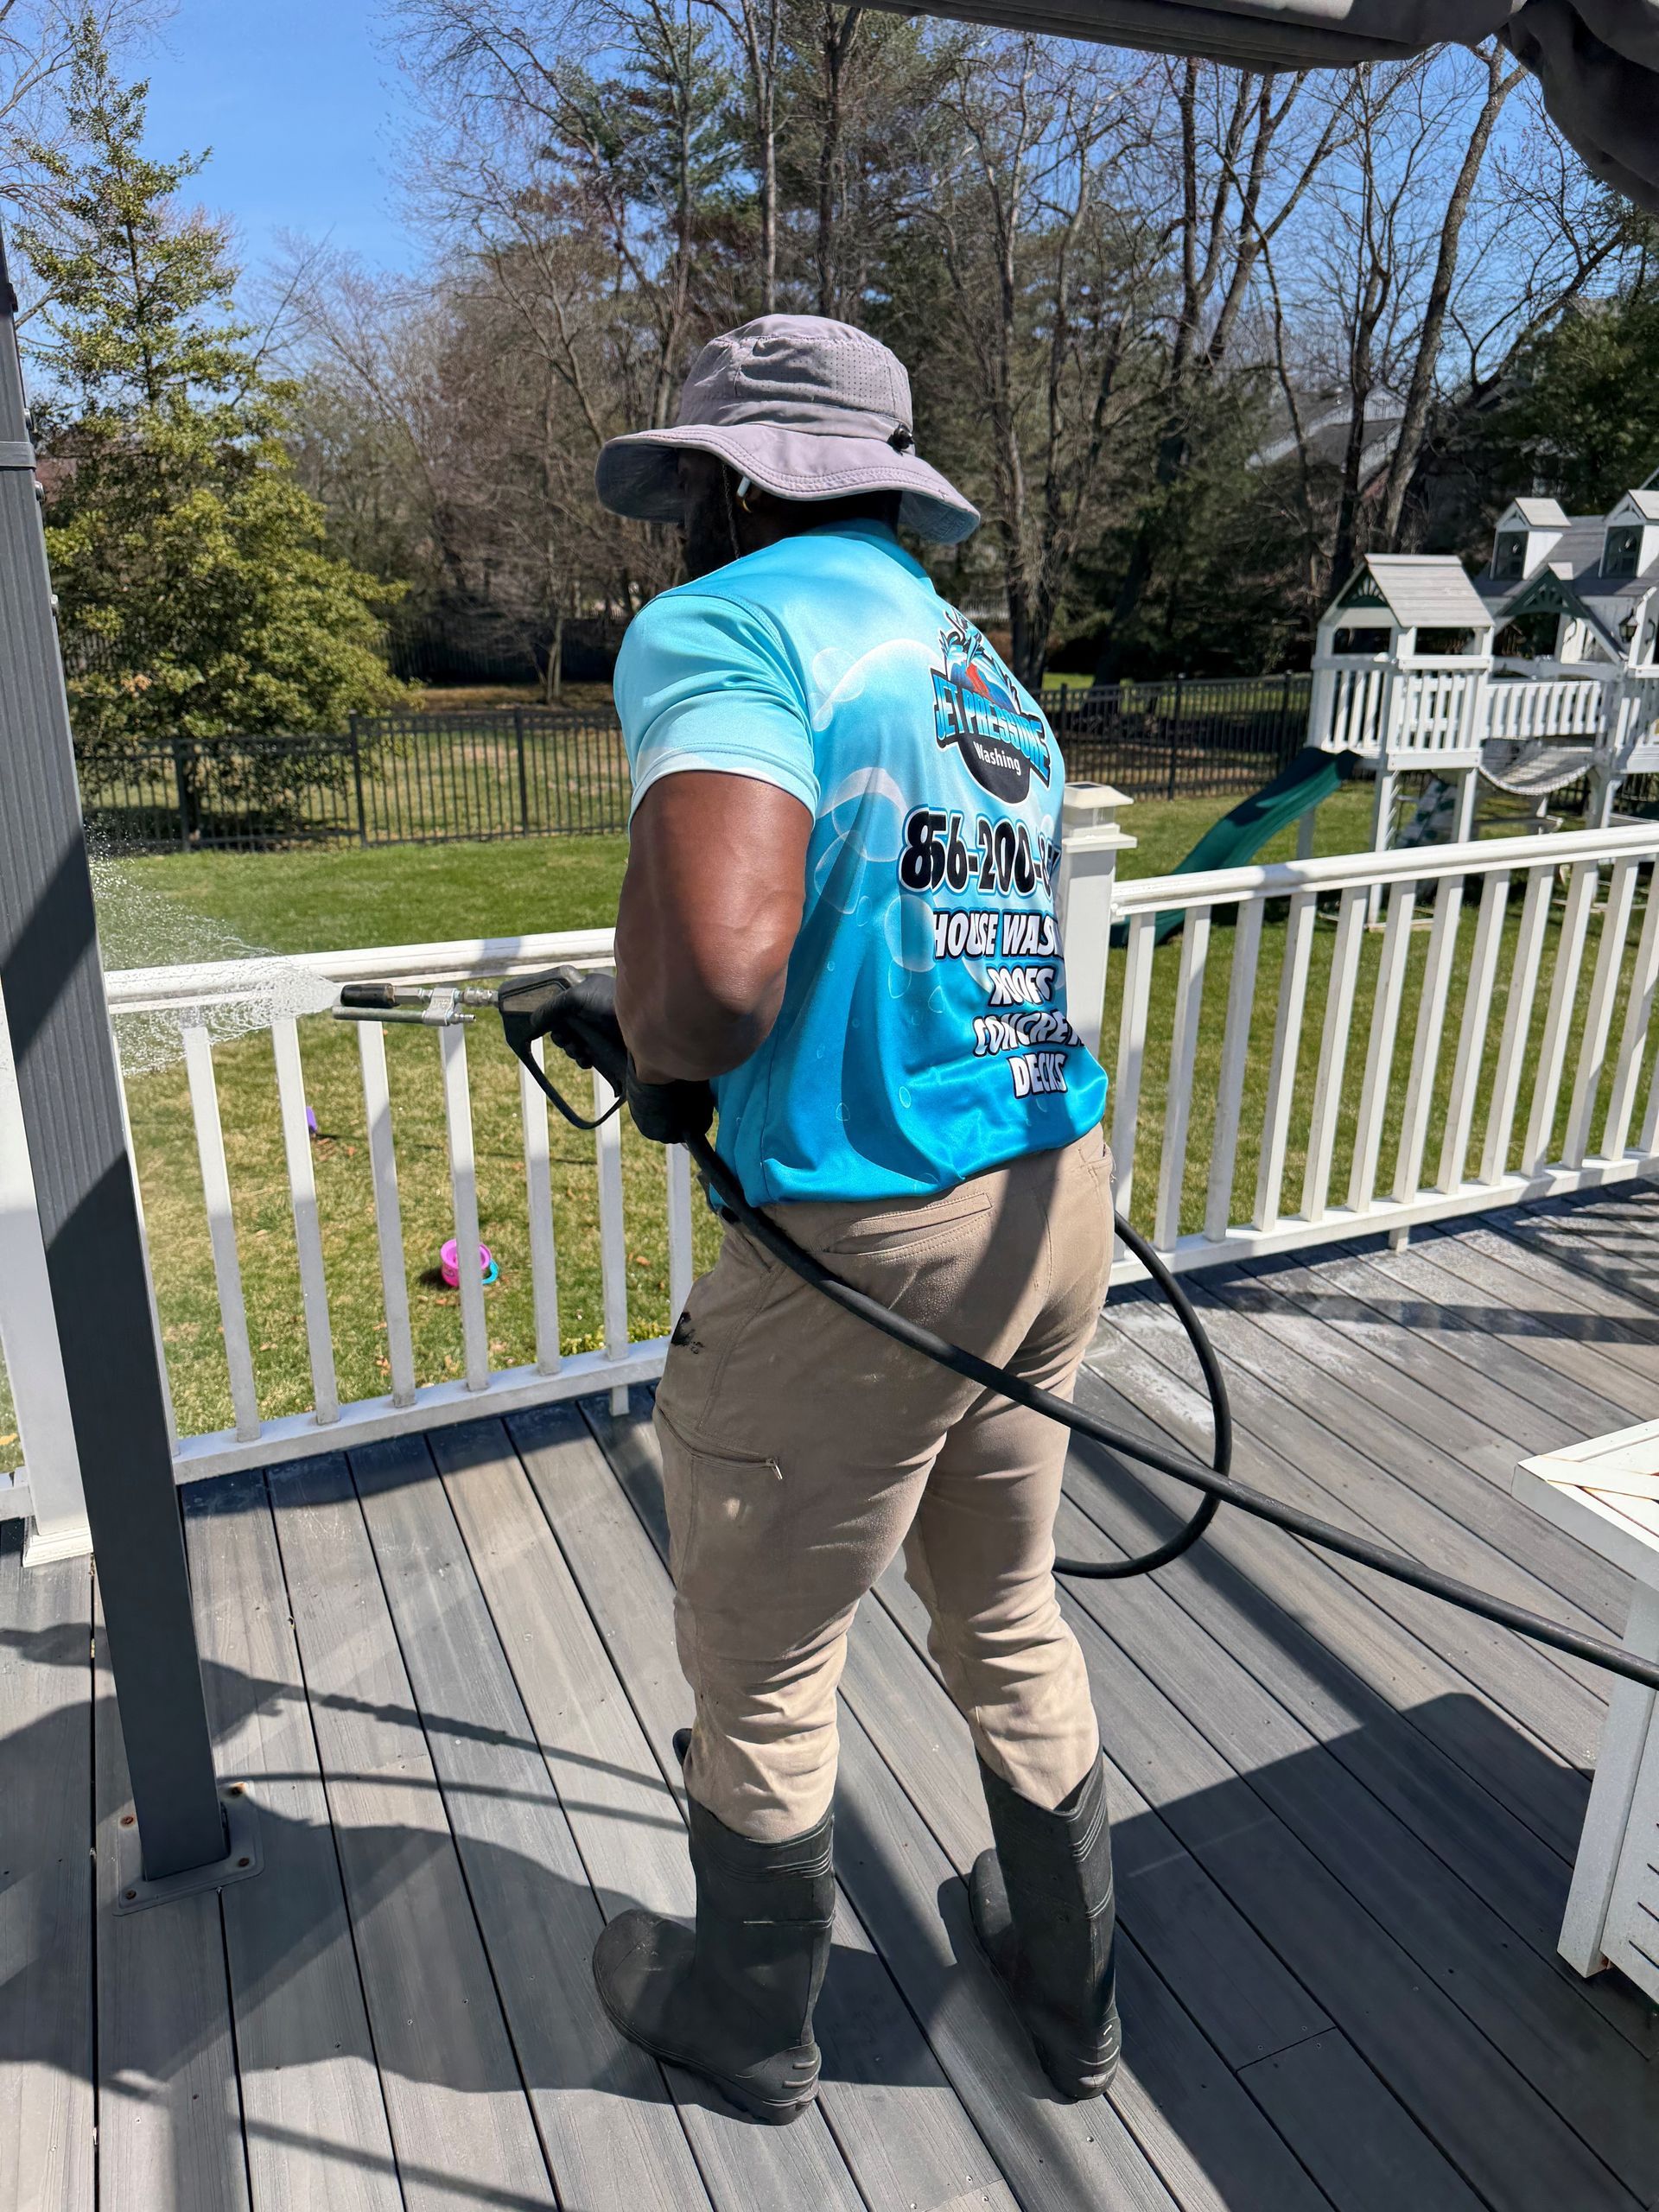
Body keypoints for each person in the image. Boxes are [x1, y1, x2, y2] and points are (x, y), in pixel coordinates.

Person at [576, 315, 1118, 2126]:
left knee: (761, 1657)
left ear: (735, 481)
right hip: (1047, 1195)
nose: (679, 528)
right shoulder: (975, 664)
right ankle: (1070, 1983)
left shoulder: (726, 622)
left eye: (689, 491)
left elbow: (720, 984)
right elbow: (892, 930)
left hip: (869, 1242)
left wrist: (661, 1042)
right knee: (1009, 1607)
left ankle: (740, 2016)